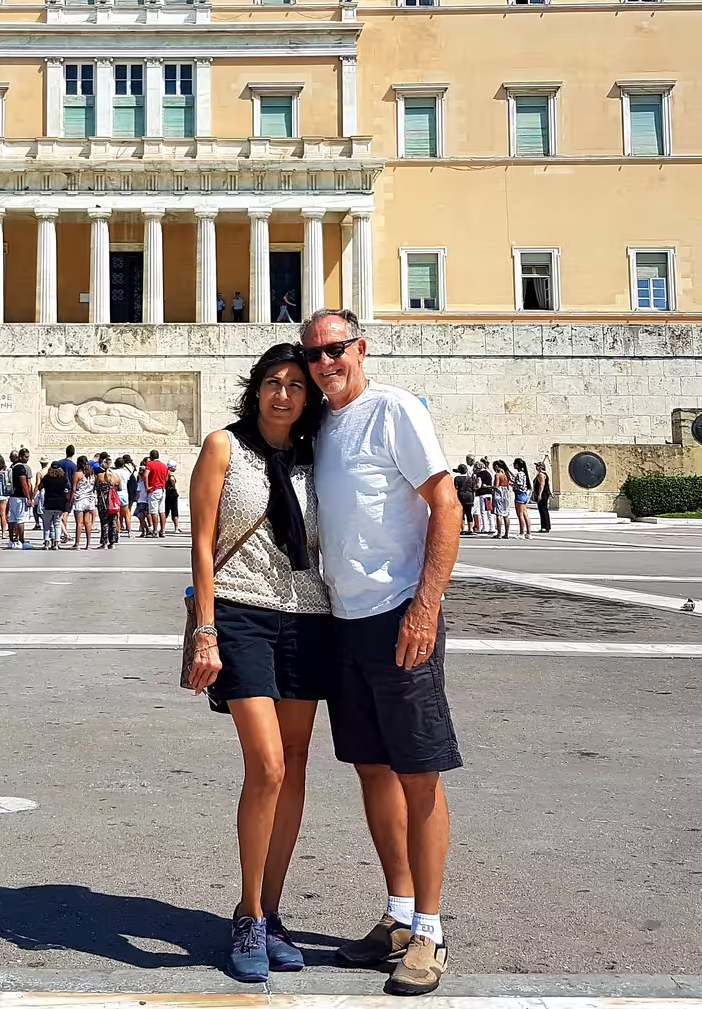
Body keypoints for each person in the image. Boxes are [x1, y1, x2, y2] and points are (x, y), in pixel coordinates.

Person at [300, 309, 461, 995]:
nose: (326, 362)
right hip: (345, 620)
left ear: (360, 348)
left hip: (401, 615)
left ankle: (429, 929)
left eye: (337, 349)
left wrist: (425, 605)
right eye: (315, 354)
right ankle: (397, 914)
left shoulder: (392, 408)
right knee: (372, 770)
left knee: (419, 772)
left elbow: (446, 504)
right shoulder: (323, 426)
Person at [187, 342, 335, 983]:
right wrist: (205, 630)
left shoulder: (316, 457)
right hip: (242, 614)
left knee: (296, 767)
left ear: (309, 397)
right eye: (273, 382)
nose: (284, 394)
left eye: (297, 385)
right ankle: (247, 912)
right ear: (255, 389)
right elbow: (200, 540)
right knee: (268, 767)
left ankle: (273, 912)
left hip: (307, 615)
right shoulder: (224, 446)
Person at [39, 457, 70, 549]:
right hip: (60, 503)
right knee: (57, 523)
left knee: (47, 524)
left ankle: (46, 542)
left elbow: (40, 487)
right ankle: (56, 543)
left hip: (49, 503)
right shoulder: (63, 479)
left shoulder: (47, 478)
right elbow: (67, 488)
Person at [145, 450, 171, 538]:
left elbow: (145, 475)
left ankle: (155, 531)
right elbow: (167, 476)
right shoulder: (164, 465)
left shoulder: (150, 465)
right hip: (162, 489)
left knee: (154, 511)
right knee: (162, 511)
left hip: (154, 489)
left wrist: (147, 486)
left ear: (151, 456)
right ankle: (163, 531)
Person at [510, 458, 533, 539]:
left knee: (520, 515)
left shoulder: (519, 474)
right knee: (525, 514)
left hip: (519, 494)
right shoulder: (523, 473)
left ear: (517, 465)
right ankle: (529, 532)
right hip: (524, 494)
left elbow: (519, 485)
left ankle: (521, 532)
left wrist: (512, 484)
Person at [531, 457, 552, 533]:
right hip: (545, 494)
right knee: (544, 510)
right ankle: (546, 526)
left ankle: (545, 526)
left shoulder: (541, 474)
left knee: (542, 510)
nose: (536, 467)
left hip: (543, 495)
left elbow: (542, 484)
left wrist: (539, 494)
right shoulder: (543, 474)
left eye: (537, 466)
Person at [163, 462, 182, 533]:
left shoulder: (165, 473)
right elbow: (172, 480)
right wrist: (174, 487)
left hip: (167, 493)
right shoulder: (170, 474)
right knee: (174, 511)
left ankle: (163, 528)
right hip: (172, 493)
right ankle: (176, 527)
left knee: (166, 511)